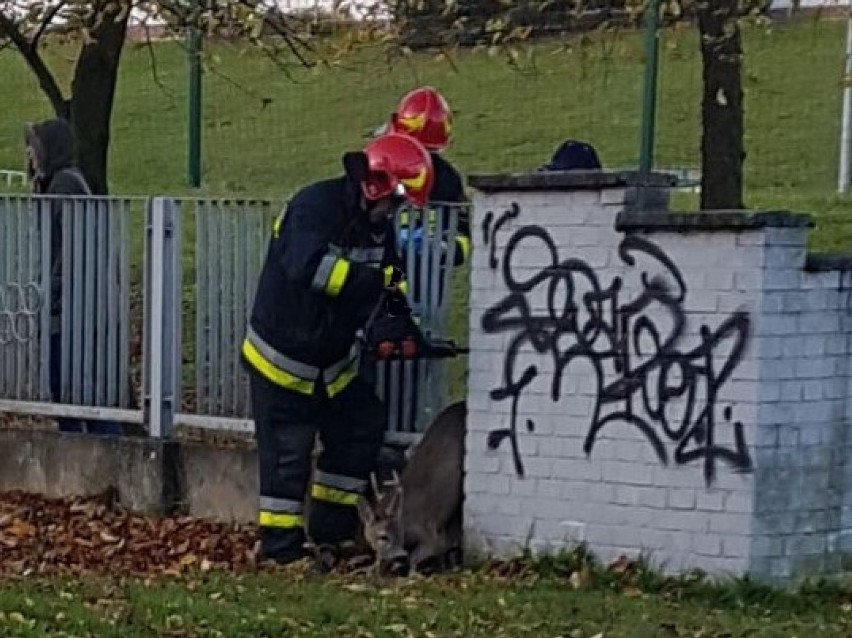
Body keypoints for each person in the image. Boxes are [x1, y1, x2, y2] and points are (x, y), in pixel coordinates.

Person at [241, 132, 435, 566]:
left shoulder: (377, 226)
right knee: (287, 459)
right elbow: (308, 267)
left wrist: (396, 319)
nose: (397, 213)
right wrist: (368, 286)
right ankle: (282, 553)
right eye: (397, 201)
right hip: (282, 362)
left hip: (333, 364)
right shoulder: (313, 207)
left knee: (359, 427)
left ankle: (331, 533)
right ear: (374, 188)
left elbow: (389, 275)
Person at [25, 119, 122, 437]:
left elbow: (71, 247)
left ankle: (104, 447)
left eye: (35, 148)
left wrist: (50, 289)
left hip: (73, 306)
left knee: (74, 385)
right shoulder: (56, 183)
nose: (30, 154)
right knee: (68, 386)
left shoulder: (65, 185)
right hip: (69, 302)